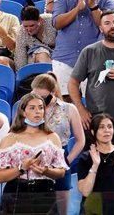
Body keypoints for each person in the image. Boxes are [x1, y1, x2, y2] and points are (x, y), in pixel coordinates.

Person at [51, 0, 114, 93]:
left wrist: (93, 6)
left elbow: (109, 27)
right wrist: (77, 9)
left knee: (93, 102)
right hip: (64, 58)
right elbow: (56, 23)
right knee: (65, 102)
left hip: (93, 60)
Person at [0, 93, 67, 214]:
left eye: (41, 108)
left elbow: (61, 172)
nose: (38, 111)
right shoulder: (10, 138)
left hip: (45, 193)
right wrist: (21, 168)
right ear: (23, 112)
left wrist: (47, 171)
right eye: (32, 108)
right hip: (16, 193)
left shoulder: (52, 137)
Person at [31, 73, 85, 215]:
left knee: (62, 205)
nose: (39, 100)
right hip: (36, 158)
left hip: (61, 156)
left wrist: (67, 161)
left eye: (42, 97)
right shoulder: (29, 108)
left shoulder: (68, 109)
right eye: (35, 95)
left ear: (53, 91)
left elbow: (80, 140)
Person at [76, 113, 114, 214]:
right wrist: (95, 165)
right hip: (93, 209)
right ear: (93, 131)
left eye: (109, 127)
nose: (106, 130)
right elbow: (85, 191)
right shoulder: (86, 157)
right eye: (101, 127)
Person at [14, 5, 56, 69]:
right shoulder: (21, 32)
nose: (29, 29)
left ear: (40, 20)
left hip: (58, 54)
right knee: (42, 53)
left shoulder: (52, 21)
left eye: (32, 25)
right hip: (35, 57)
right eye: (25, 26)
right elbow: (20, 59)